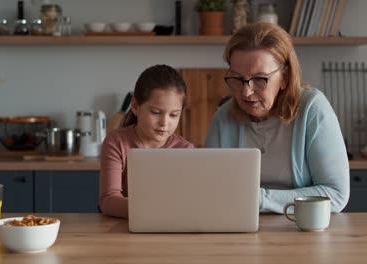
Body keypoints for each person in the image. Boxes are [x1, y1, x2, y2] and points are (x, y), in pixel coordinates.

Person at [205, 23, 349, 213]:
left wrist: (260, 199)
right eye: (237, 78)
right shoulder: (223, 118)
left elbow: (336, 194)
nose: (246, 92)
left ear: (285, 77)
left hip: (301, 232)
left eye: (259, 79)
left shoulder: (312, 109)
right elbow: (209, 191)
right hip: (239, 230)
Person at [99, 64, 194, 218]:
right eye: (156, 112)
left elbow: (188, 201)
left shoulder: (185, 149)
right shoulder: (116, 142)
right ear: (135, 106)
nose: (164, 122)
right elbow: (108, 200)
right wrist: (154, 211)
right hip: (123, 230)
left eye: (174, 115)